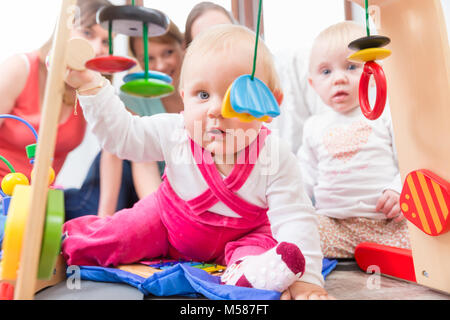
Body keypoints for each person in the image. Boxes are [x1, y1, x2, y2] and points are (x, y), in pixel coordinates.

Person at [63, 24, 332, 299]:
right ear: (184, 100)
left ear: (269, 105)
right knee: (117, 234)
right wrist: (91, 86)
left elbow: (295, 218)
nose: (215, 109)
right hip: (168, 223)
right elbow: (123, 137)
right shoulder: (175, 131)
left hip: (243, 238)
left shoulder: (275, 154)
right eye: (202, 95)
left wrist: (308, 281)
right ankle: (65, 243)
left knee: (265, 247)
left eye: (234, 97)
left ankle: (245, 273)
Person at [297, 21, 410, 258]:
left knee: (428, 236)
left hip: (387, 225)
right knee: (297, 234)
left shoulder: (384, 113)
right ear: (312, 84)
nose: (338, 79)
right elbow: (303, 178)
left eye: (350, 67)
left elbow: (408, 162)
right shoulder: (313, 127)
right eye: (326, 72)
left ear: (372, 70)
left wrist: (398, 190)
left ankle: (382, 255)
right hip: (335, 225)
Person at [63, 20, 185, 219]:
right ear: (139, 61)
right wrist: (105, 218)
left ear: (183, 46)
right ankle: (42, 199)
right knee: (85, 213)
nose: (161, 65)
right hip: (123, 169)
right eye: (149, 58)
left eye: (168, 52)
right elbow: (130, 155)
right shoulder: (133, 99)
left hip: (151, 187)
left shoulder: (201, 97)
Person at [0, 0, 111, 183]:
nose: (98, 48)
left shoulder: (90, 84)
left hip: (42, 199)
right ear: (64, 30)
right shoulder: (20, 68)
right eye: (87, 33)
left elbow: (121, 138)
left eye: (106, 41)